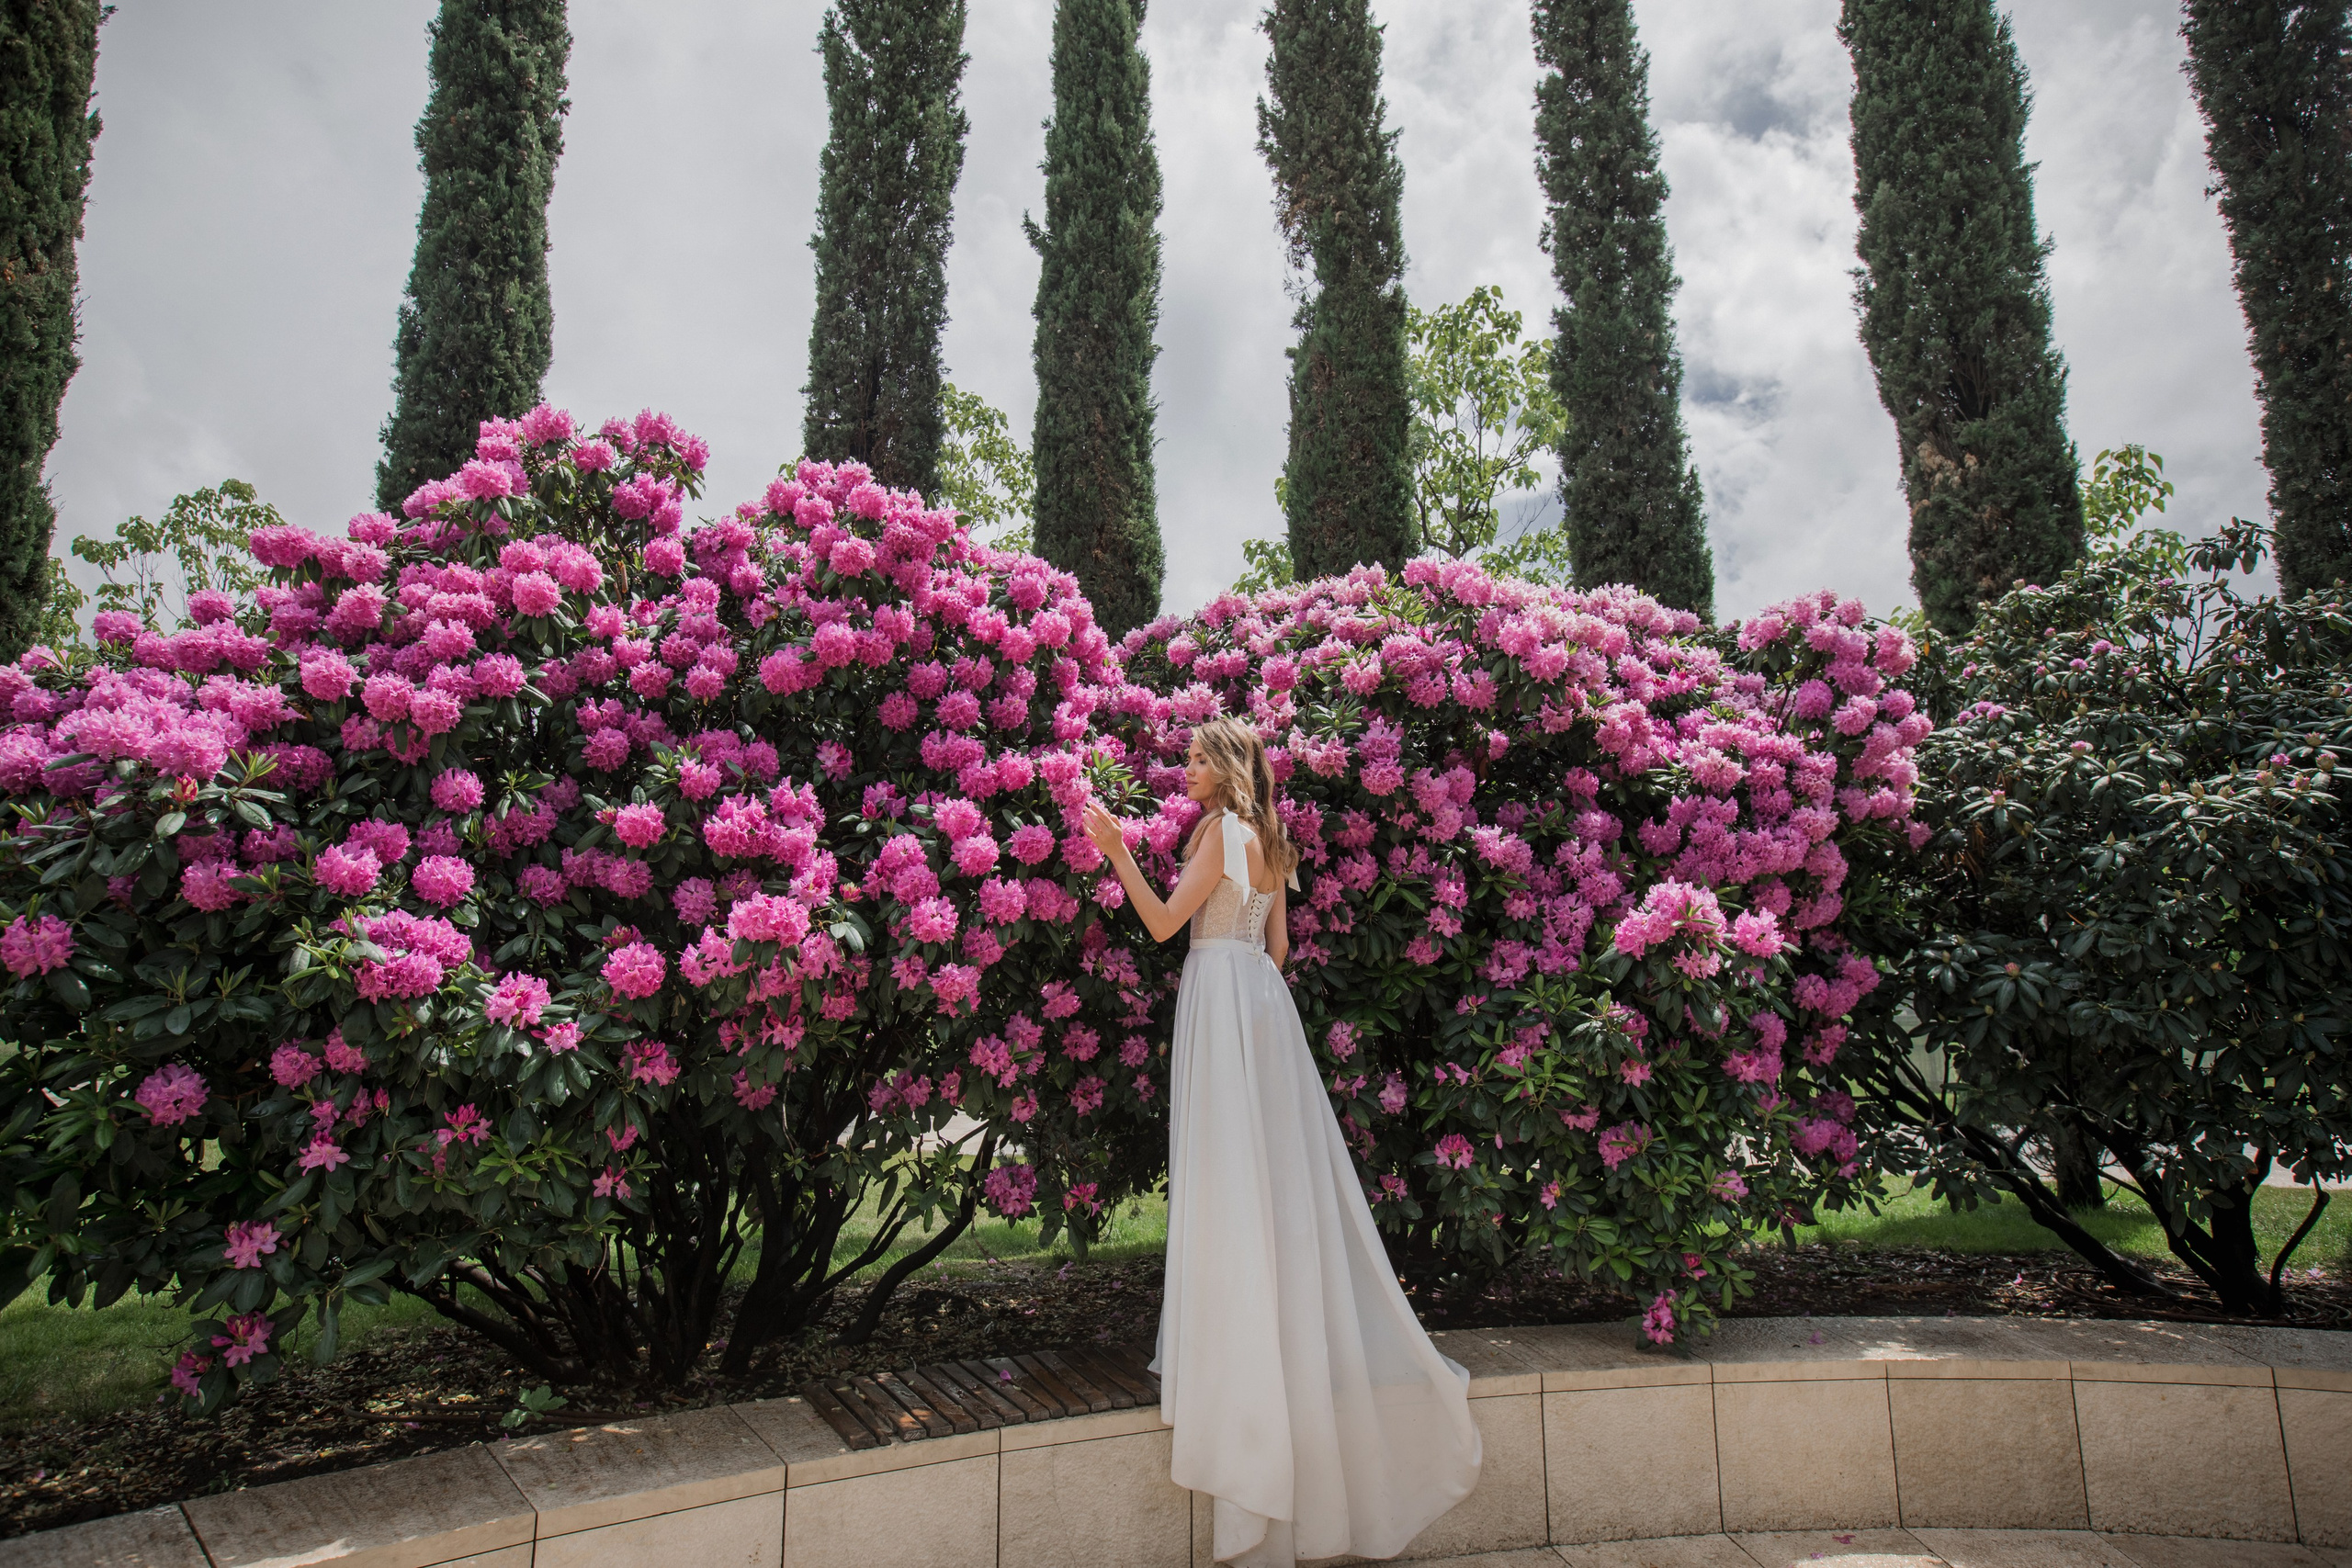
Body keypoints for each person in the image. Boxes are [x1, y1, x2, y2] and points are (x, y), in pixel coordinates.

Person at [1082, 716, 1483, 1567]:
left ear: (1226, 769)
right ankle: (1270, 1335)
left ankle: (1237, 1360)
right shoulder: (1270, 837)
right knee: (1265, 1178)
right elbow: (1281, 944)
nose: (1183, 768)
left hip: (1222, 1001)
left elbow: (1162, 926)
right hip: (1261, 1006)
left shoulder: (1221, 830)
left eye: (1195, 757)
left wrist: (1117, 850)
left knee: (1228, 1180)